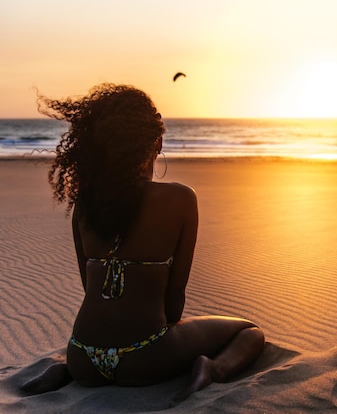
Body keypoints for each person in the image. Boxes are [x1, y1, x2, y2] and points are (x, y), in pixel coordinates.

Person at [21, 83, 265, 402]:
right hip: (144, 358)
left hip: (82, 356)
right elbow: (174, 303)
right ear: (157, 141)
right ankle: (213, 369)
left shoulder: (84, 206)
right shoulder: (180, 199)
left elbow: (89, 289)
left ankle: (65, 370)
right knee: (249, 332)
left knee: (101, 342)